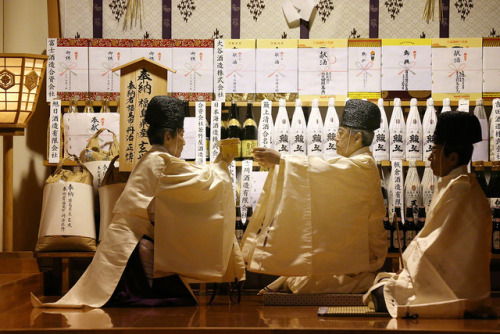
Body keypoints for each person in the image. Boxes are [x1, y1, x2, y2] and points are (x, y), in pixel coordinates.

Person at [32, 96, 245, 308]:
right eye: (181, 135)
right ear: (168, 136)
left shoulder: (152, 158)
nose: (184, 141)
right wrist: (222, 163)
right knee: (171, 298)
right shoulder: (161, 162)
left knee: (179, 297)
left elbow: (195, 178)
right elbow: (204, 181)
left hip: (129, 239)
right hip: (132, 246)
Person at [241, 99, 387, 294]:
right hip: (346, 250)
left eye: (340, 133)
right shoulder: (353, 164)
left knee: (303, 284)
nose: (335, 138)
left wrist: (281, 159)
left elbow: (324, 169)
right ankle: (285, 281)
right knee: (302, 276)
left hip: (362, 256)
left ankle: (373, 283)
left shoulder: (363, 165)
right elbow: (326, 173)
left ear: (357, 138)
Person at [364, 111, 495, 318]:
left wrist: (408, 264)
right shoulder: (457, 184)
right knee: (382, 284)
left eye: (435, 151)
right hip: (452, 280)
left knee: (382, 292)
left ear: (452, 157)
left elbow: (435, 246)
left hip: (453, 288)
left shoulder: (460, 189)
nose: (429, 157)